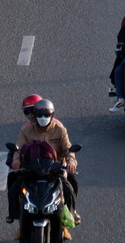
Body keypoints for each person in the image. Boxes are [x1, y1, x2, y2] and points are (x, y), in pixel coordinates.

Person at [6, 95, 79, 225]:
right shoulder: (26, 131)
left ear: (52, 115)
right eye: (40, 114)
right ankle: (14, 215)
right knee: (13, 187)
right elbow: (18, 148)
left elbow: (68, 148)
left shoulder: (60, 130)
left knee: (69, 186)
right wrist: (16, 161)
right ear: (35, 115)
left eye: (46, 115)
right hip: (31, 169)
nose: (43, 118)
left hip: (54, 169)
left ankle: (71, 212)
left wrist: (71, 162)